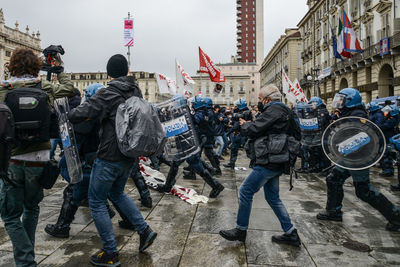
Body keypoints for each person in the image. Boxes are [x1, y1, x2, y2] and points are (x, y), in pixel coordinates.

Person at [68, 54, 157, 266]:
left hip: (109, 155)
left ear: (108, 73)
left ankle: (110, 253)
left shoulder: (108, 93)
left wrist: (66, 112)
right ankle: (144, 230)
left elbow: (82, 113)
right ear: (127, 71)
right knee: (116, 192)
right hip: (129, 155)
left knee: (97, 201)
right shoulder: (135, 90)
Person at [0, 48, 75, 267]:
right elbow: (69, 88)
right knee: (31, 208)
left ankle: (25, 261)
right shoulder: (44, 86)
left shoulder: (3, 89)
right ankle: (28, 256)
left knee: (10, 214)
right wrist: (58, 69)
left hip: (12, 158)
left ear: (12, 66)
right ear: (35, 67)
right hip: (40, 157)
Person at [219, 84, 301, 246]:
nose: (259, 102)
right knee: (273, 198)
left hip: (269, 160)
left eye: (260, 99)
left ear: (268, 99)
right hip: (277, 159)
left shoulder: (274, 110)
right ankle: (290, 232)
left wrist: (244, 125)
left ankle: (240, 230)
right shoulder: (285, 111)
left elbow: (254, 129)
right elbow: (293, 132)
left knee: (245, 191)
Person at [317, 88, 400, 232]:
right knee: (333, 178)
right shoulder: (349, 113)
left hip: (358, 158)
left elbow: (360, 138)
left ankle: (396, 216)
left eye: (342, 99)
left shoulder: (357, 115)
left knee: (364, 190)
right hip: (350, 157)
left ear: (349, 101)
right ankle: (333, 211)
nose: (339, 102)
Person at [157, 95, 224, 198]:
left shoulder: (201, 114)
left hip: (191, 144)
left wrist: (182, 110)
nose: (192, 105)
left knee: (195, 166)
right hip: (188, 143)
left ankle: (216, 185)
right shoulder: (202, 113)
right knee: (184, 164)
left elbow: (192, 120)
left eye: (193, 104)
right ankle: (167, 186)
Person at [224, 99, 252, 170]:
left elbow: (236, 124)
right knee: (236, 149)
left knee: (238, 149)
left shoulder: (244, 113)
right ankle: (231, 163)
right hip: (242, 134)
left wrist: (228, 132)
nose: (235, 107)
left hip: (240, 134)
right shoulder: (246, 112)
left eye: (237, 106)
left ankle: (232, 163)